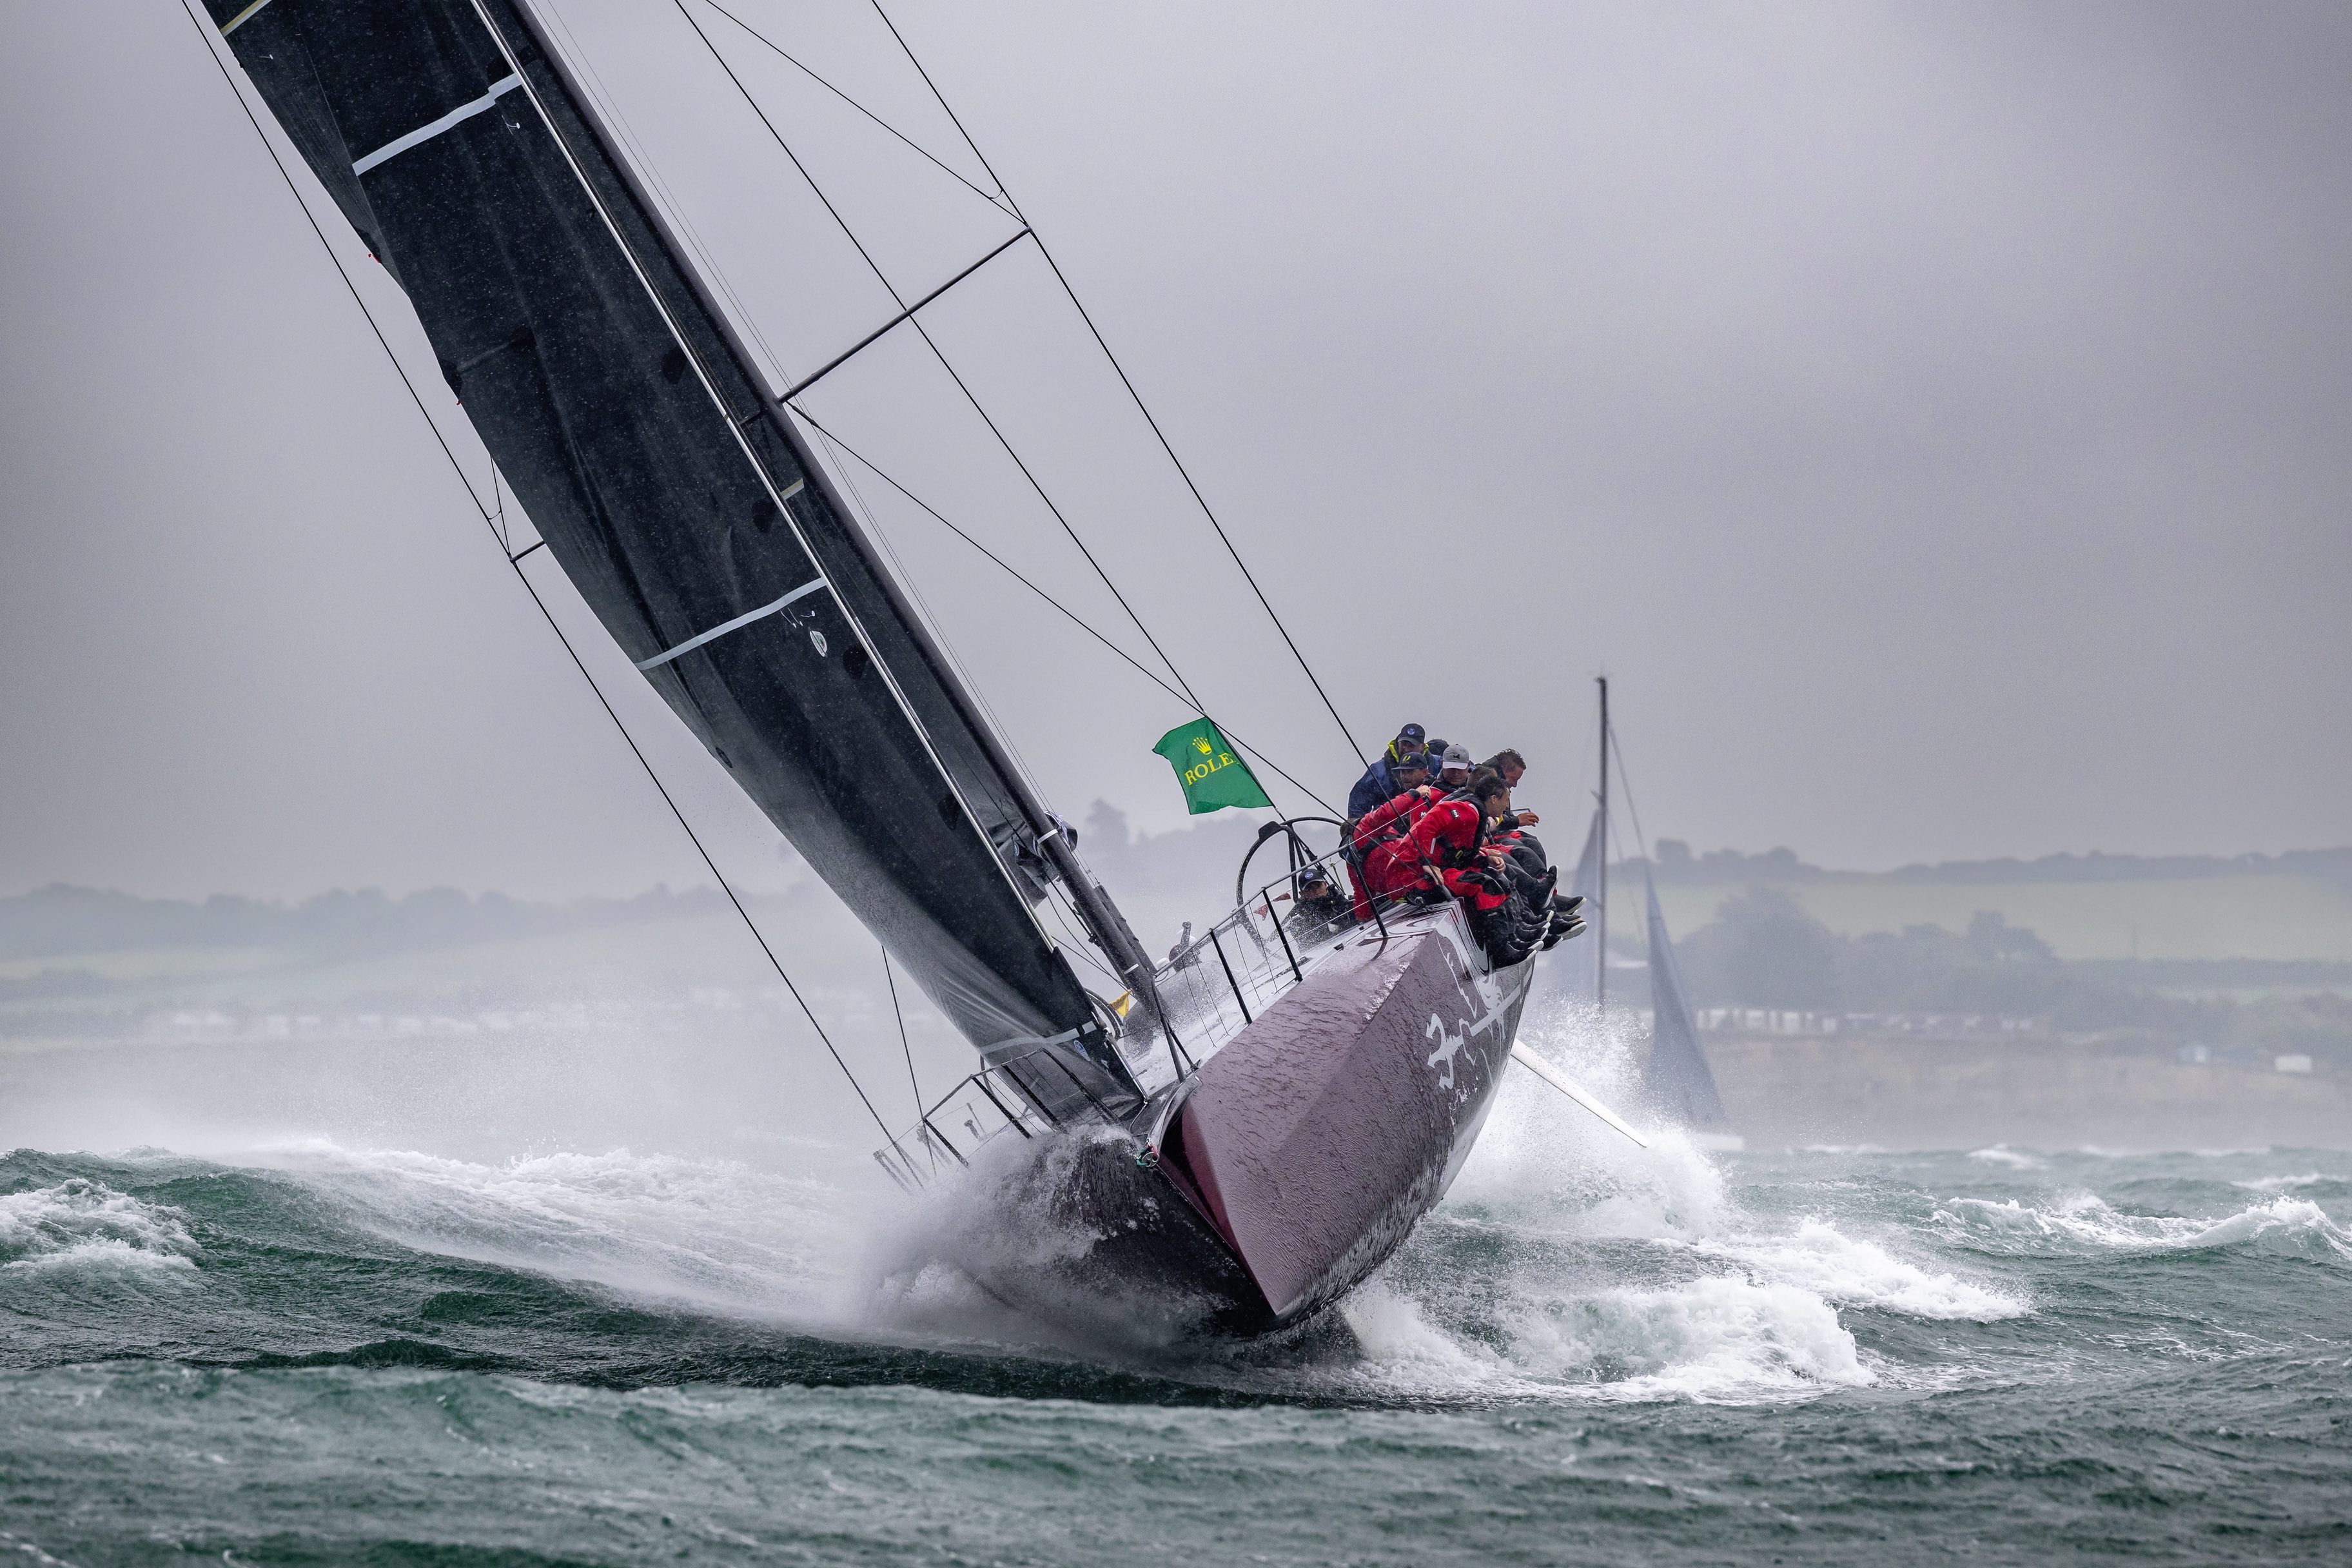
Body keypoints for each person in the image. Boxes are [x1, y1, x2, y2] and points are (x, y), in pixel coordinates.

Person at [1346, 745, 1431, 819]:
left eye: (1410, 772)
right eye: (1402, 772)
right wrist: (1355, 823)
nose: (1405, 776)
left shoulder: (1435, 794)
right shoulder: (1397, 795)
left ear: (1424, 772)